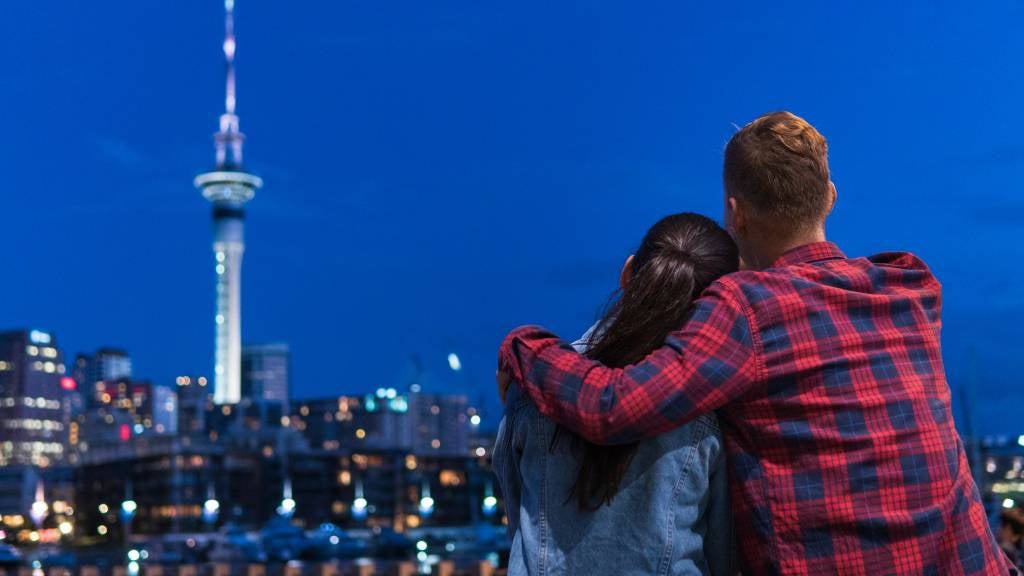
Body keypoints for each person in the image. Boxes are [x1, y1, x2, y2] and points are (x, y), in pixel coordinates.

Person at [497, 111, 1016, 575]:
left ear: (734, 214)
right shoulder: (911, 285)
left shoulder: (744, 309)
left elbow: (613, 406)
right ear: (831, 197)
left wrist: (523, 347)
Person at [494, 213, 738, 576]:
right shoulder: (711, 407)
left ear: (627, 273)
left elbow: (516, 515)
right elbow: (723, 554)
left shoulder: (536, 382)